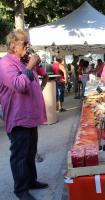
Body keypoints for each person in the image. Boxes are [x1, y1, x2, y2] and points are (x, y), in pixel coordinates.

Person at [0, 30, 48, 200]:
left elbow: (41, 77)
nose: (28, 47)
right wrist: (29, 67)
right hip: (18, 117)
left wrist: (37, 65)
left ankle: (31, 181)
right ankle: (20, 189)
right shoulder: (5, 64)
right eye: (24, 44)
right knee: (19, 155)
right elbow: (18, 85)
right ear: (13, 45)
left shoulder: (22, 61)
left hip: (29, 116)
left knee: (30, 152)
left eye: (28, 43)